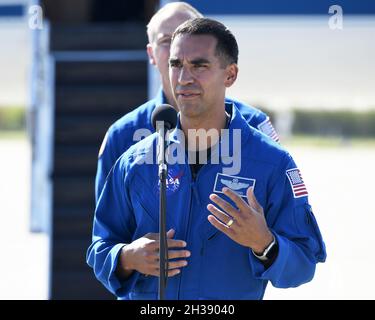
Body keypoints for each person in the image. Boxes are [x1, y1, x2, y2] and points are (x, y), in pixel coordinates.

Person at [87, 17, 326, 300]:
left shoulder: (271, 164)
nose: (184, 78)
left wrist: (265, 243)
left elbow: (304, 262)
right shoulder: (135, 163)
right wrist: (127, 257)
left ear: (230, 75)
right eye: (176, 65)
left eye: (199, 65)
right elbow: (100, 247)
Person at [95, 2, 279, 201]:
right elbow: (107, 226)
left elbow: (287, 215)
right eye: (167, 40)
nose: (179, 47)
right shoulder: (122, 135)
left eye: (188, 37)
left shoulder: (253, 124)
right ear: (151, 54)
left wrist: (263, 234)